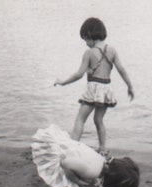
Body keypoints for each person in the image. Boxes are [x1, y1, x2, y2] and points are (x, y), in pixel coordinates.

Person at [54, 17, 134, 156]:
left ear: (90, 35)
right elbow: (122, 70)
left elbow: (79, 74)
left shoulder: (89, 53)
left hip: (93, 90)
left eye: (85, 39)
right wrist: (129, 86)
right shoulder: (112, 50)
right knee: (98, 120)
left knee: (80, 118)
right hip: (106, 89)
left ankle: (73, 145)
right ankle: (103, 148)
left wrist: (63, 82)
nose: (85, 43)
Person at [31, 125, 140, 187]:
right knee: (70, 185)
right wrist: (74, 179)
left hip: (69, 153)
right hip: (62, 157)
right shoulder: (92, 171)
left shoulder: (102, 163)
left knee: (79, 178)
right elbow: (66, 163)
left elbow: (94, 181)